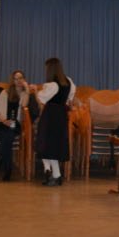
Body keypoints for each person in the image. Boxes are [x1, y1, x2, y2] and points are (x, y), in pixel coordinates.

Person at [35, 57, 76, 186]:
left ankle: (48, 170)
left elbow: (41, 99)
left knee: (44, 143)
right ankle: (56, 175)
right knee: (54, 145)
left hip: (50, 114)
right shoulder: (69, 81)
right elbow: (70, 99)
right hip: (61, 115)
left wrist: (35, 91)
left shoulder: (52, 85)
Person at [0, 70, 32, 181]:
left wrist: (27, 90)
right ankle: (7, 169)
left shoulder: (24, 94)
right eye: (15, 79)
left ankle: (1, 160)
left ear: (24, 79)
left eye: (20, 78)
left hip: (13, 124)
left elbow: (24, 105)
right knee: (7, 137)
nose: (18, 81)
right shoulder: (5, 92)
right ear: (12, 81)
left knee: (8, 136)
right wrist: (4, 121)